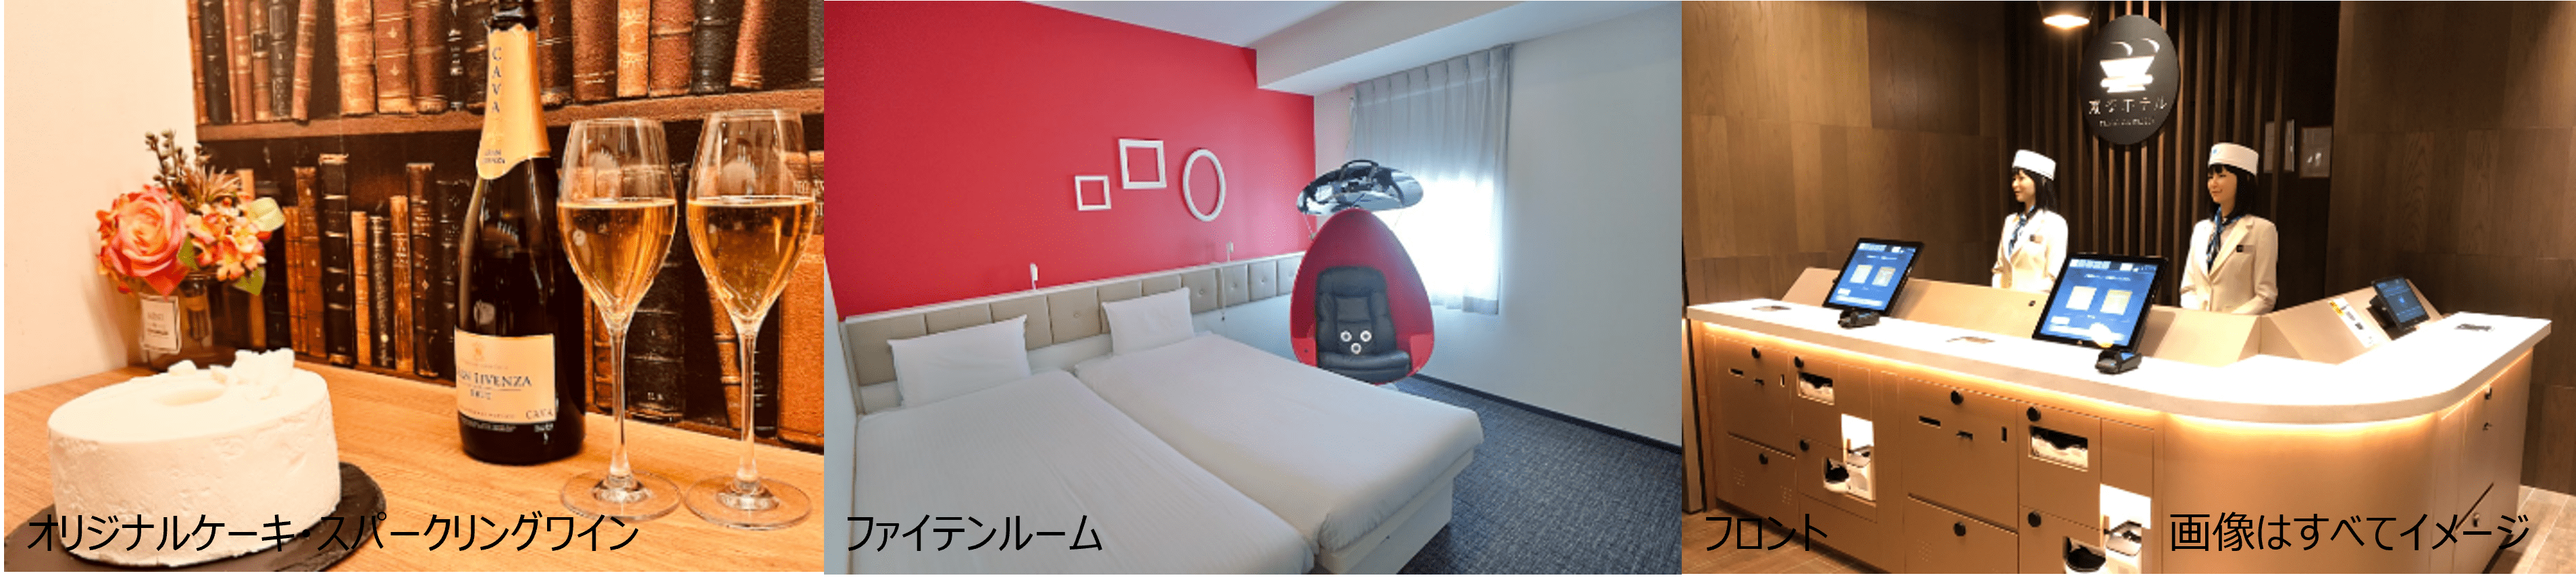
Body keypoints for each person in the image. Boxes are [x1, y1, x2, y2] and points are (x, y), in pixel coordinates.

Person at [2179, 142, 2279, 314]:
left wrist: (2226, 323)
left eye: (2221, 176)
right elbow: (2188, 288)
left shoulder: (2262, 230)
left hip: (2238, 327)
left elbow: (2266, 296)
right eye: (2210, 177)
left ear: (2243, 180)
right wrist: (2201, 317)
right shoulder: (2201, 229)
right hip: (2198, 324)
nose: (2213, 183)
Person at [1992, 150, 2068, 293]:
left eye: (2021, 178)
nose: (2015, 184)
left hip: (2034, 303)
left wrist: (2023, 299)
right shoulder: (2010, 221)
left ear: (2041, 181)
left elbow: (2054, 277)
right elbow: (2000, 269)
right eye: (2014, 179)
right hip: (2004, 302)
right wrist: (1999, 295)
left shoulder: (2055, 223)